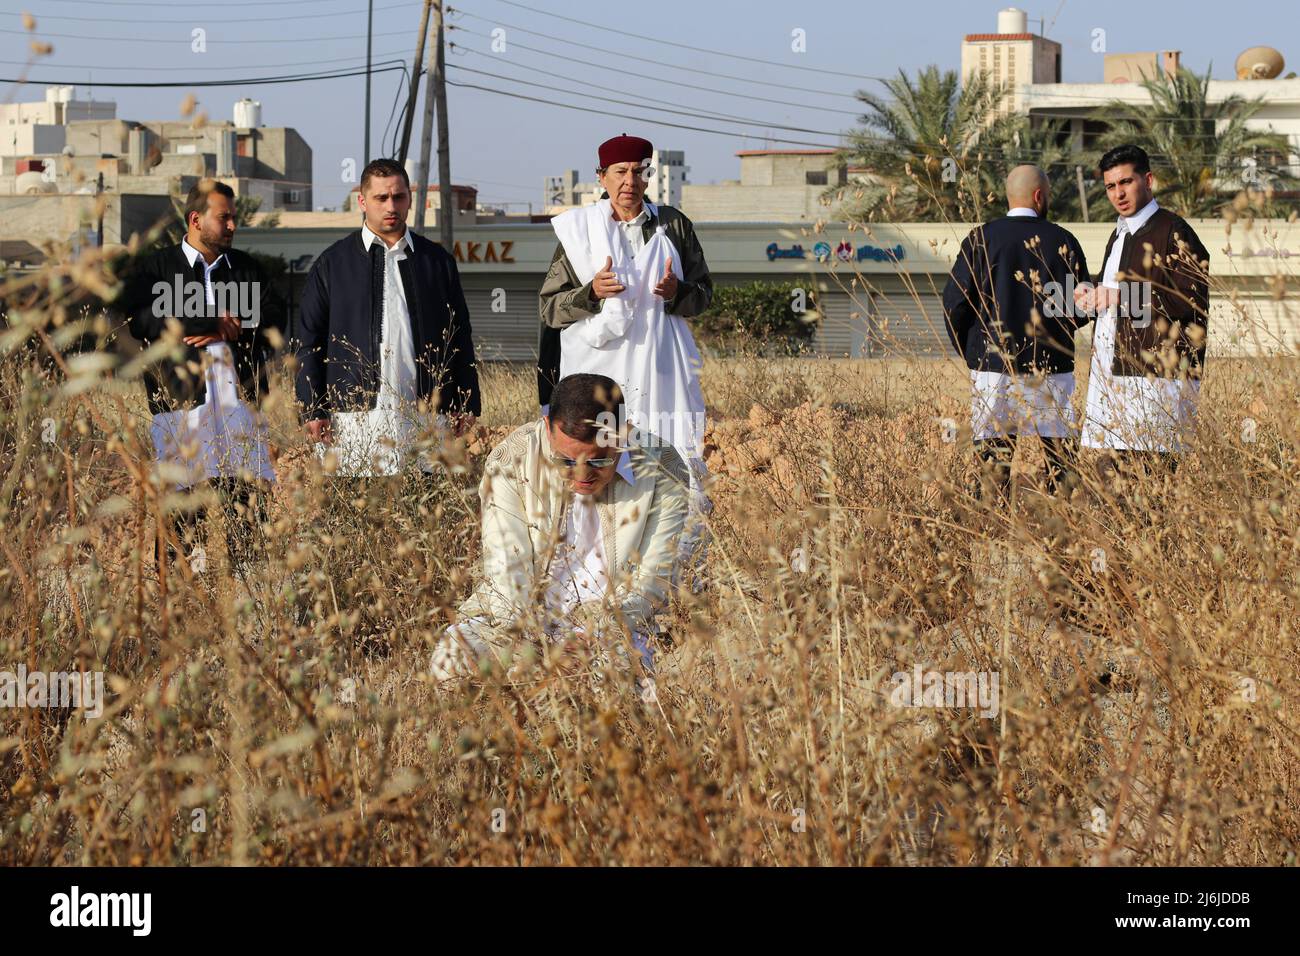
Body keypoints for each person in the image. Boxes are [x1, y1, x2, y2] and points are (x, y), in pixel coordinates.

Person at [430, 373, 689, 682]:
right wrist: (532, 649)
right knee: (449, 663)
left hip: (614, 626)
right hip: (518, 621)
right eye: (566, 461)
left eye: (597, 462)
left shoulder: (663, 468)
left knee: (613, 684)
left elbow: (652, 582)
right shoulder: (511, 459)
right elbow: (507, 574)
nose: (581, 476)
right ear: (548, 429)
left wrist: (588, 634)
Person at [537, 134, 712, 580]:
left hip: (661, 370)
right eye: (620, 171)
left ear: (648, 175)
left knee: (666, 459)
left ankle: (666, 571)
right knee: (598, 461)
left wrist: (678, 293)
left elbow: (704, 296)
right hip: (600, 375)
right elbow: (550, 308)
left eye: (639, 170)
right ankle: (587, 573)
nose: (630, 180)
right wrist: (591, 292)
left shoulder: (674, 226)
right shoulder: (579, 231)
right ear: (602, 176)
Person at [126, 178, 283, 571]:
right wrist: (211, 319)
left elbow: (277, 317)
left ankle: (246, 604)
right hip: (182, 409)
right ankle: (175, 606)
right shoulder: (156, 268)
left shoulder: (246, 269)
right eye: (224, 218)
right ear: (196, 219)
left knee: (246, 512)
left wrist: (228, 327)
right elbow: (142, 320)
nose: (232, 226)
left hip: (240, 411)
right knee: (180, 513)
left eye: (234, 218)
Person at [295, 158, 480, 481]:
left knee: (425, 516)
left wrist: (467, 401)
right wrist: (312, 407)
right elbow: (308, 340)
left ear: (410, 199)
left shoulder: (436, 262)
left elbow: (460, 335)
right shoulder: (332, 265)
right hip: (353, 422)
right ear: (363, 201)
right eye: (381, 198)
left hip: (426, 417)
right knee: (355, 519)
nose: (391, 206)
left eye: (399, 196)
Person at [942, 165, 1090, 500]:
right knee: (1060, 462)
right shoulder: (1063, 240)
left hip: (994, 368)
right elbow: (1082, 307)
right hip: (1052, 368)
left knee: (992, 466)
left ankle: (990, 536)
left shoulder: (981, 238)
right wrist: (1059, 331)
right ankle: (1061, 534)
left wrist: (975, 353)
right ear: (1040, 196)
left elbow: (954, 302)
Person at [1074, 144, 1210, 479]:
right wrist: (1089, 291)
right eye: (1110, 186)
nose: (1118, 193)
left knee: (1151, 488)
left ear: (1147, 180)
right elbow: (1120, 288)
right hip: (1112, 380)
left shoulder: (1174, 231)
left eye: (1126, 182)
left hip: (1156, 384)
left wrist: (1119, 296)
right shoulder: (1119, 234)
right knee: (1110, 484)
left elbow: (1190, 300)